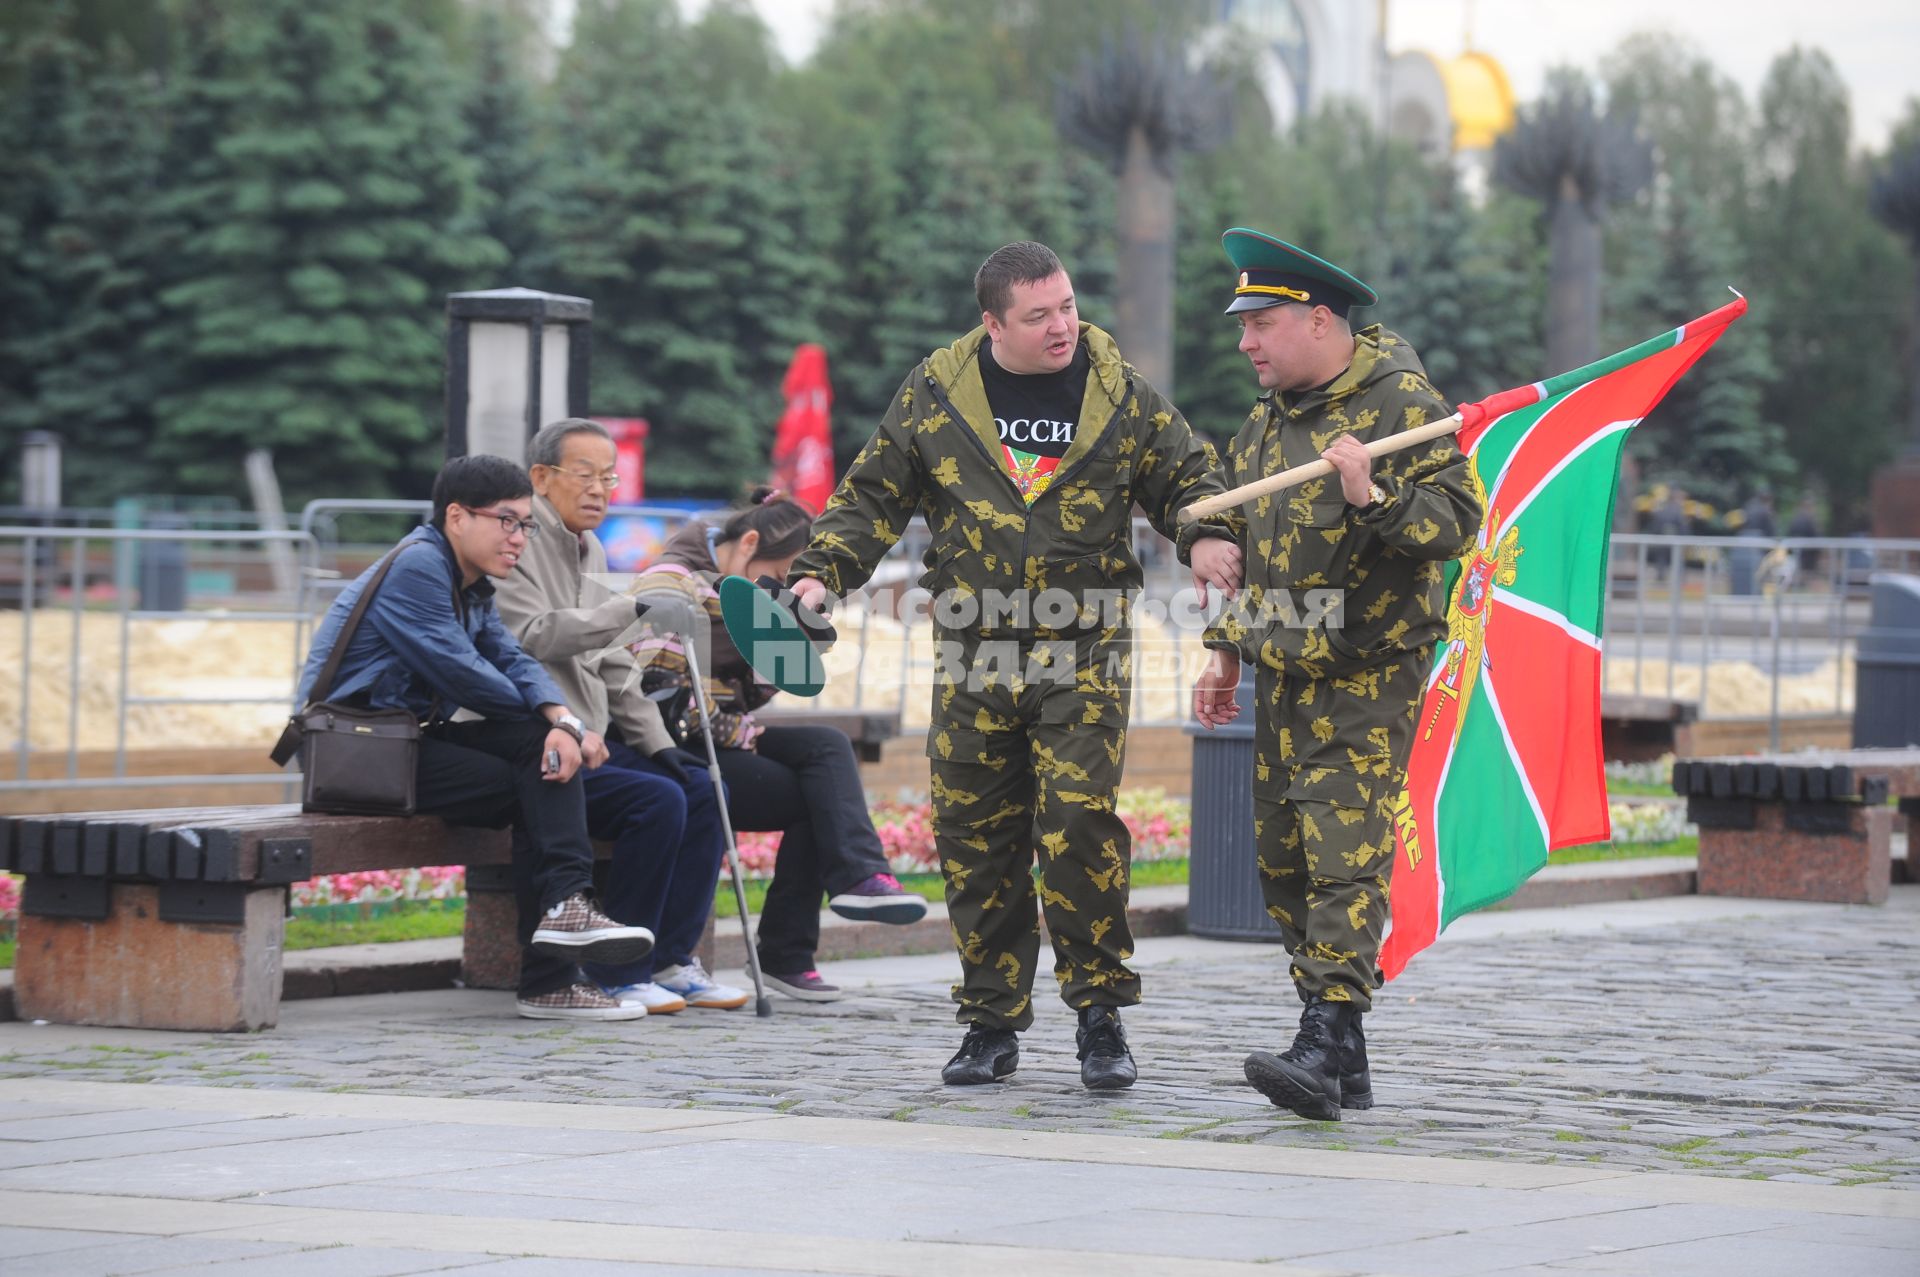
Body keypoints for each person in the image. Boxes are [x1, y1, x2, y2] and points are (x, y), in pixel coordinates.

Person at [789, 241, 1241, 1090]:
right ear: (993, 322)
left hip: (1085, 646)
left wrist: (1205, 530)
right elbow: (870, 496)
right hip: (973, 648)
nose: (1063, 325)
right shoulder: (937, 393)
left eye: (1067, 305)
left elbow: (1188, 477)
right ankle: (990, 1021)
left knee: (1076, 822)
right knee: (975, 836)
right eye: (1039, 316)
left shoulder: (1117, 391)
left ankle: (1099, 1015)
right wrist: (821, 572)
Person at [1190, 228, 1482, 1120]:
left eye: (1262, 325)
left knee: (1342, 856)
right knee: (1282, 861)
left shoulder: (1399, 403)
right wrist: (1226, 645)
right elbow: (1251, 545)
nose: (1246, 344)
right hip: (1283, 668)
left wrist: (1373, 494)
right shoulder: (1267, 420)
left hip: (1367, 669)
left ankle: (1322, 1032)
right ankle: (1343, 1052)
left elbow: (1457, 523)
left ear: (1319, 320)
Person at [296, 455, 655, 1021]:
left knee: (542, 763)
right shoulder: (419, 566)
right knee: (541, 765)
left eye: (526, 525)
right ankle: (554, 960)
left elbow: (511, 657)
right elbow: (461, 670)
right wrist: (558, 728)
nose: (519, 539)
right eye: (507, 521)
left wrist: (561, 717)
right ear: (457, 517)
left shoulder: (471, 582)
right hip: (359, 750)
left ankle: (563, 924)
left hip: (407, 744)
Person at [629, 487, 929, 1004]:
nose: (782, 589)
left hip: (721, 736)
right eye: (782, 575)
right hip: (672, 746)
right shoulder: (671, 584)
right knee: (821, 794)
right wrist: (742, 731)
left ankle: (861, 880)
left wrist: (787, 651)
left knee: (827, 748)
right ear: (748, 544)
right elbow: (661, 698)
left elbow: (749, 697)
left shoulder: (756, 596)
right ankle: (785, 953)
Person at [491, 418, 746, 1015]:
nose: (600, 489)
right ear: (541, 478)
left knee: (703, 785)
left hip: (595, 733)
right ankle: (621, 970)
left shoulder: (590, 545)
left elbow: (610, 660)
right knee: (655, 802)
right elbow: (535, 637)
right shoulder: (520, 542)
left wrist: (660, 746)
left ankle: (670, 958)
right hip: (539, 736)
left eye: (609, 476)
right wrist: (631, 608)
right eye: (585, 475)